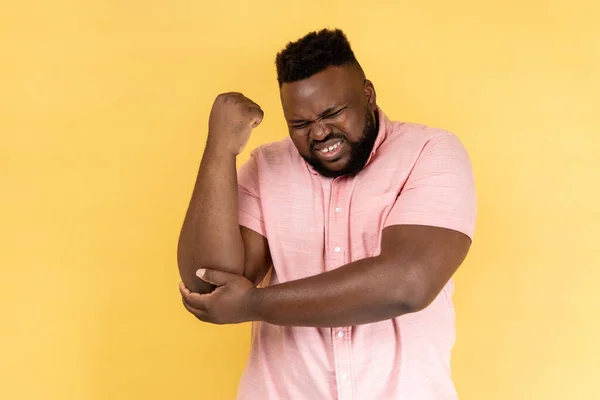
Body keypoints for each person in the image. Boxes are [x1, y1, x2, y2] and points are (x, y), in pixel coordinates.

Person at [177, 28, 476, 400]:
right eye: (299, 124)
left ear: (367, 94)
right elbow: (208, 285)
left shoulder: (429, 153)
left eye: (332, 113)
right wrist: (220, 149)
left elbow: (407, 283)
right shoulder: (266, 166)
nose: (319, 133)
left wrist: (253, 304)